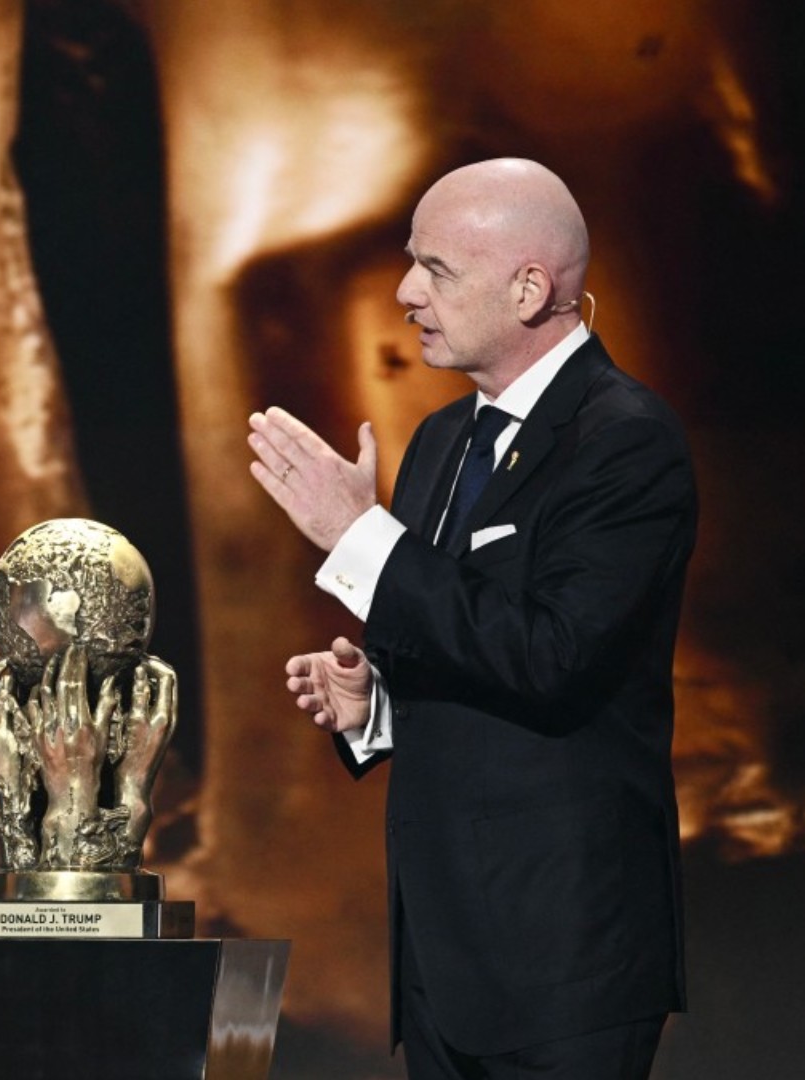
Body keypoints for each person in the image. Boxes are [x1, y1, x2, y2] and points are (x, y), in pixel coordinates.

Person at [247, 158, 694, 1079]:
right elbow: (466, 644)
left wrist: (359, 535)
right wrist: (374, 704)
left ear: (531, 288)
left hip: (562, 968)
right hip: (441, 966)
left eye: (437, 269)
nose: (407, 292)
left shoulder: (624, 441)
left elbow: (550, 656)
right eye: (413, 262)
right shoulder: (447, 439)